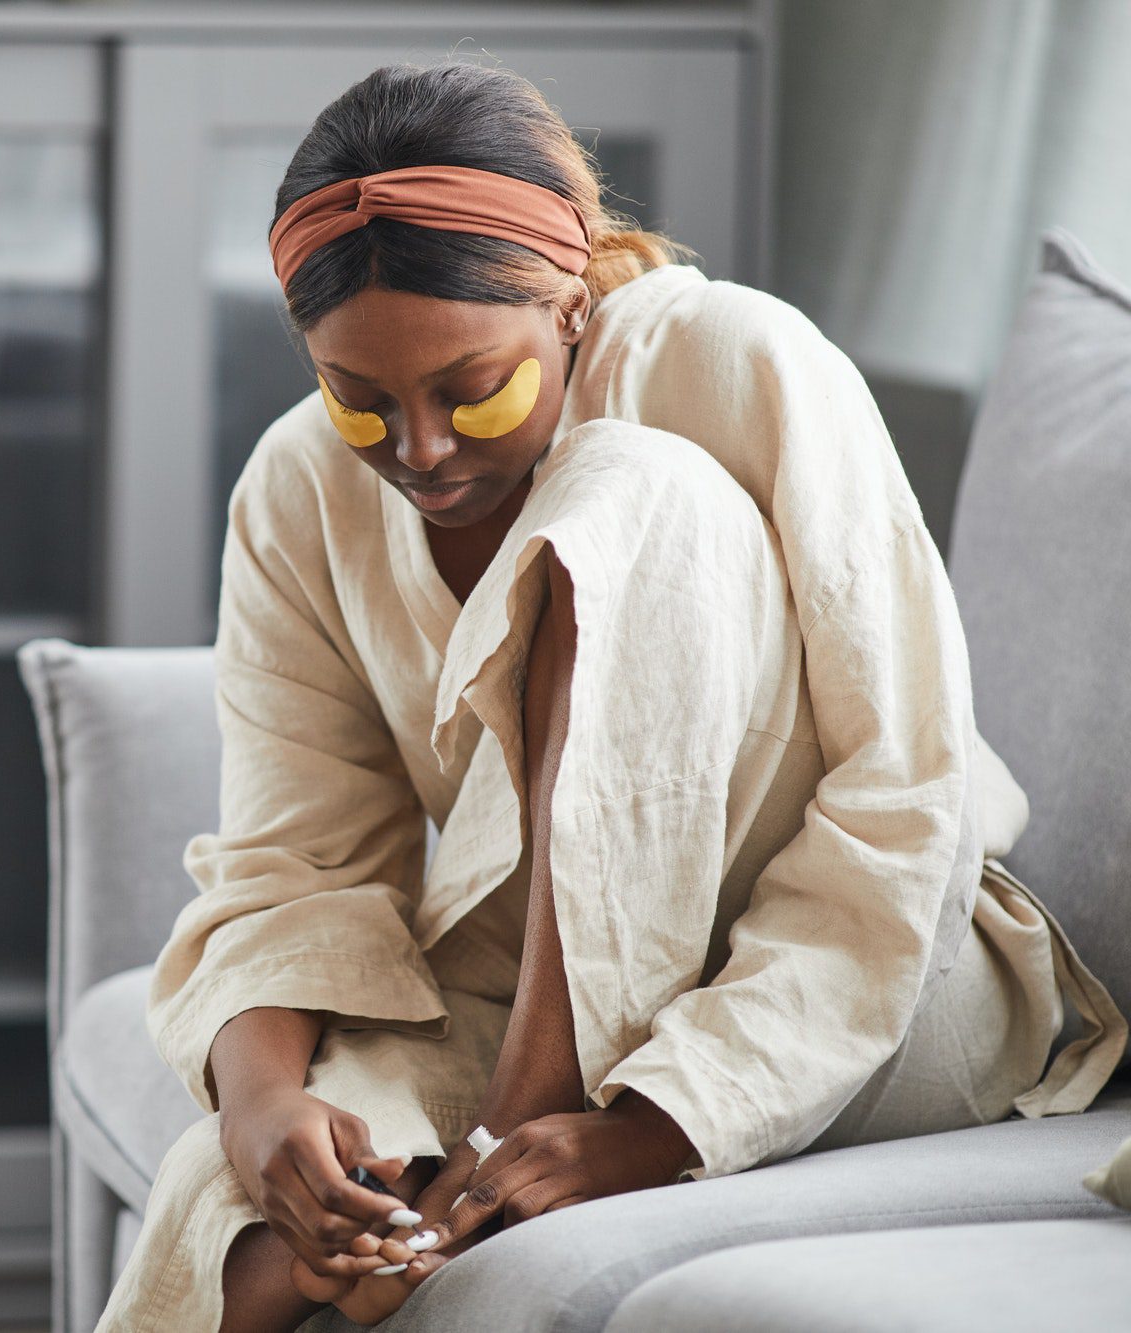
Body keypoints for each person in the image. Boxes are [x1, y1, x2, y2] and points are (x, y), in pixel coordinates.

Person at [96, 59, 1128, 1333]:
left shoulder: (737, 364)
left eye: (478, 391)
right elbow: (290, 861)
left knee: (636, 486)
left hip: (871, 980)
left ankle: (524, 1106)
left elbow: (900, 801)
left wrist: (643, 1127)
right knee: (270, 1231)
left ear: (572, 301)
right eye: (361, 405)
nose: (417, 452)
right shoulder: (296, 491)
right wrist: (259, 1115)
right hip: (520, 973)